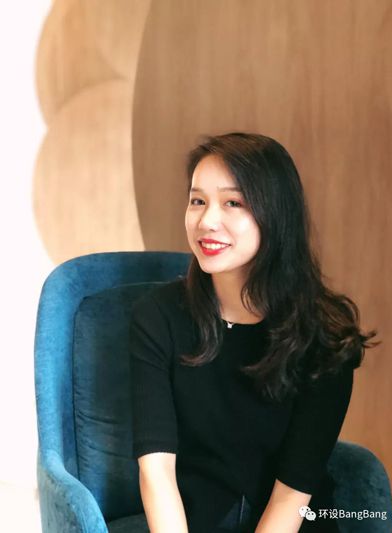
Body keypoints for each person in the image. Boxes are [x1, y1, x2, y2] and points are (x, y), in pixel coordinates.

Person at [129, 133, 377, 533]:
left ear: (274, 215)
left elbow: (292, 494)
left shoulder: (325, 335)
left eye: (233, 203)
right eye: (197, 201)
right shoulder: (158, 318)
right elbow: (156, 474)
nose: (207, 221)